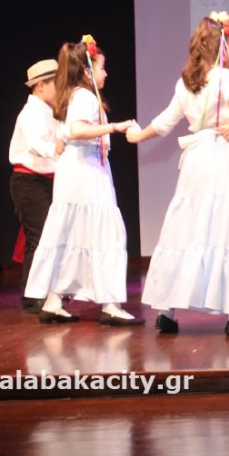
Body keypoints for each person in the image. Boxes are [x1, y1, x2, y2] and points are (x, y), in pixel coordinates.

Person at [126, 13, 229, 335]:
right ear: (223, 45)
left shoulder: (186, 82)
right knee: (223, 228)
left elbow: (165, 122)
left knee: (186, 229)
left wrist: (138, 136)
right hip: (219, 155)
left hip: (195, 160)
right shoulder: (224, 77)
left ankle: (166, 310)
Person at [24, 36, 141, 324]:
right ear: (88, 71)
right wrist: (114, 127)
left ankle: (54, 301)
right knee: (104, 234)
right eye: (102, 67)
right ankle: (110, 305)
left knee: (73, 233)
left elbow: (64, 137)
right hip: (85, 171)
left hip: (75, 170)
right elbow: (76, 130)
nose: (106, 73)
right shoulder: (85, 97)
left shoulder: (72, 96)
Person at [9, 58, 62, 312]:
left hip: (46, 181)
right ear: (41, 85)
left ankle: (46, 291)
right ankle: (32, 296)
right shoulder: (31, 113)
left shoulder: (49, 112)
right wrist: (60, 150)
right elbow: (36, 145)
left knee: (49, 237)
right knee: (38, 237)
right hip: (28, 181)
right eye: (56, 83)